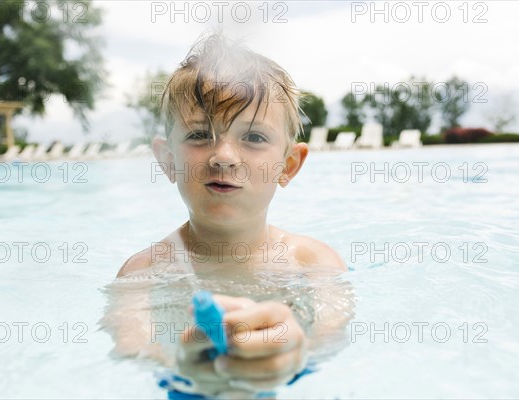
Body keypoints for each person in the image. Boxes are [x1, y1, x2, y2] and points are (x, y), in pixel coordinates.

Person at [110, 32, 350, 398]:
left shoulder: (313, 263)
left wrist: (294, 355)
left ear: (288, 165)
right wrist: (183, 372)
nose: (224, 156)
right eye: (200, 134)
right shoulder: (144, 273)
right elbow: (132, 349)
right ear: (168, 160)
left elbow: (331, 338)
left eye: (253, 138)